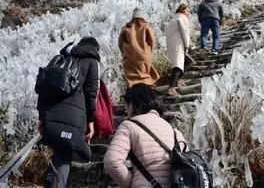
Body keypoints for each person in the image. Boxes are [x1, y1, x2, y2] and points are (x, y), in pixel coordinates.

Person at [37, 37, 100, 188]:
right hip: (73, 118)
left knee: (59, 152)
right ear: (94, 49)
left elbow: (44, 88)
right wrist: (91, 121)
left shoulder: (62, 59)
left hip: (51, 115)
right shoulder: (92, 62)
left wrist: (41, 117)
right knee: (66, 153)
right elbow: (91, 94)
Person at [104, 84, 187, 187]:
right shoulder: (174, 131)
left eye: (127, 104)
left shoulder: (129, 125)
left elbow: (112, 161)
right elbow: (187, 163)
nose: (126, 110)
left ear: (135, 104)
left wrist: (130, 183)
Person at [118, 7, 159, 88]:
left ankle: (134, 89)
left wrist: (125, 52)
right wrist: (149, 52)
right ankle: (147, 87)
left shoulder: (126, 28)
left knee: (132, 75)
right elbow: (151, 41)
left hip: (129, 55)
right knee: (145, 74)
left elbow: (120, 43)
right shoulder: (146, 26)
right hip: (144, 55)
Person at [165, 4, 191, 94]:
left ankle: (177, 82)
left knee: (183, 63)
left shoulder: (173, 19)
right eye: (187, 11)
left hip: (171, 44)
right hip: (178, 44)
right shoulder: (182, 18)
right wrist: (187, 45)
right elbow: (185, 32)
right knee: (178, 66)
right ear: (183, 10)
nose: (188, 13)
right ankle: (172, 87)